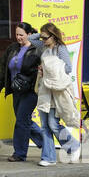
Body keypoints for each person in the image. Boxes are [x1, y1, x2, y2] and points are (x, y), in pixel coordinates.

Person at [0, 22, 44, 163]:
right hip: (16, 90)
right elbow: (4, 69)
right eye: (16, 34)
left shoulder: (37, 48)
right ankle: (46, 144)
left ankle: (19, 154)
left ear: (29, 35)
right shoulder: (12, 48)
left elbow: (44, 69)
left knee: (21, 121)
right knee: (25, 121)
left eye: (21, 35)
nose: (18, 37)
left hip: (31, 91)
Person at [33, 22, 81, 165]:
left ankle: (73, 145)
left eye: (46, 37)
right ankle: (49, 158)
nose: (43, 40)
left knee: (53, 124)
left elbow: (68, 68)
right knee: (44, 126)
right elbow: (31, 39)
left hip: (57, 91)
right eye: (42, 38)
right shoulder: (43, 47)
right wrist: (41, 33)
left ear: (53, 37)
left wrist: (49, 68)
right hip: (44, 90)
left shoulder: (61, 49)